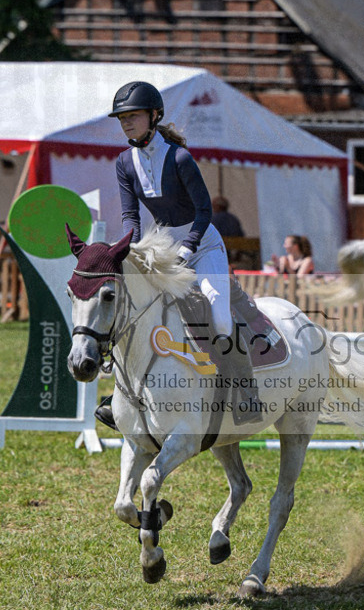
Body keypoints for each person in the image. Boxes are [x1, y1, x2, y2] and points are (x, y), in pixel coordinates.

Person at [108, 80, 262, 425]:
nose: (127, 123)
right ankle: (122, 394)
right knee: (135, 311)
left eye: (133, 116)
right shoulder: (124, 162)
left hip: (202, 243)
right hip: (162, 246)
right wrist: (127, 248)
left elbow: (204, 210)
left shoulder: (179, 157)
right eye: (122, 118)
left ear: (154, 115)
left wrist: (189, 246)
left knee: (219, 317)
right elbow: (130, 214)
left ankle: (246, 392)